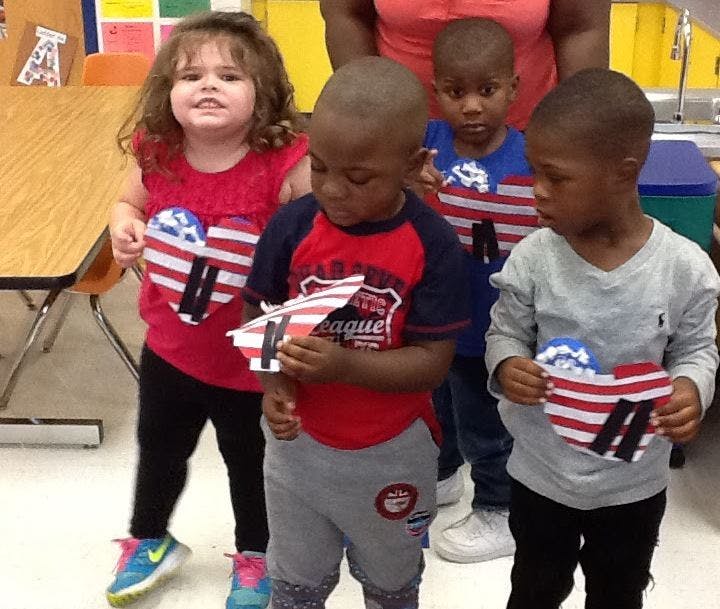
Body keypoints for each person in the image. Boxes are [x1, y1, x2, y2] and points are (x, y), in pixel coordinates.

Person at [485, 68, 720, 609]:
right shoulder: (534, 258)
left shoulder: (685, 268)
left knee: (619, 592)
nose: (537, 190)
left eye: (556, 177)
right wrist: (507, 365)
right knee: (535, 588)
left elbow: (697, 349)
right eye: (534, 172)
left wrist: (691, 388)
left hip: (633, 484)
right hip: (541, 475)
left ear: (623, 173)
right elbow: (505, 332)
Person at [242, 57, 469, 609]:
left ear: (411, 165)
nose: (333, 189)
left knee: (392, 581)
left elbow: (432, 363)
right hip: (299, 448)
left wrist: (344, 365)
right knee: (295, 580)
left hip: (394, 451)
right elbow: (259, 315)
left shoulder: (433, 244)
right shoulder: (291, 226)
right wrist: (275, 386)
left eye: (359, 178)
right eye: (319, 167)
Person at [107, 11, 310, 609]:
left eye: (229, 76)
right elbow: (128, 202)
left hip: (252, 362)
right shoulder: (157, 150)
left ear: (263, 93)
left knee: (250, 464)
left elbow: (319, 243)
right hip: (169, 350)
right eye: (191, 76)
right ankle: (150, 538)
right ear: (166, 90)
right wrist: (124, 225)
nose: (208, 86)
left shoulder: (285, 162)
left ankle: (257, 554)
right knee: (159, 450)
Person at [415, 18, 531, 564]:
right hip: (437, 318)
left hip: (498, 325)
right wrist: (408, 180)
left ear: (513, 88)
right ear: (435, 90)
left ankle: (499, 508)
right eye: (455, 92)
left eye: (487, 90)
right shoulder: (427, 145)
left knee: (487, 422)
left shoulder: (533, 156)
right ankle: (442, 475)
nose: (471, 106)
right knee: (437, 405)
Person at [319, 0, 611, 129]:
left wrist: (578, 132)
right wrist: (370, 118)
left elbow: (581, 29)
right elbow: (347, 16)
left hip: (528, 136)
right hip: (399, 135)